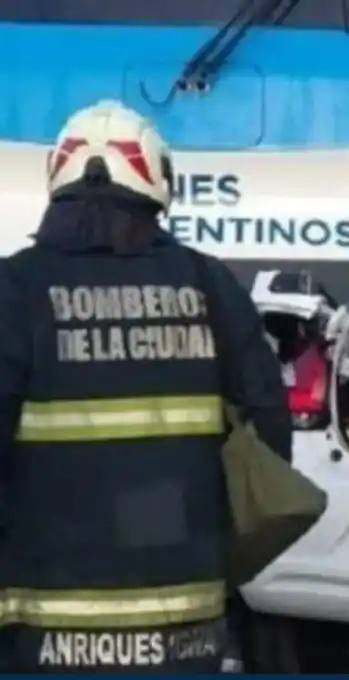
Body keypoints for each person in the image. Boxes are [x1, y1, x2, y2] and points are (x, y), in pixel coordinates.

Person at [0, 100, 291, 673]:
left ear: (57, 181)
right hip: (186, 637)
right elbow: (270, 447)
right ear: (158, 185)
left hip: (43, 639)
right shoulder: (211, 286)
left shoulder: (13, 291)